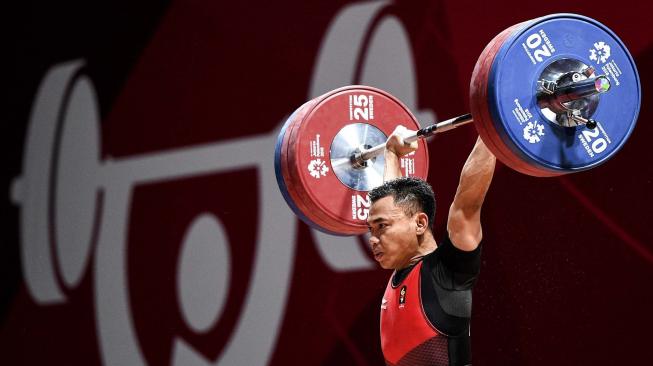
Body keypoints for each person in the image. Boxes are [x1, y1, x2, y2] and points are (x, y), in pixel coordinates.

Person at [367, 126, 496, 366]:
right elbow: (396, 209)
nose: (373, 239)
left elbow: (467, 203)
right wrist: (392, 153)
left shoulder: (448, 273)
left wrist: (494, 127)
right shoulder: (403, 270)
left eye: (381, 227)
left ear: (420, 223)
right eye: (370, 229)